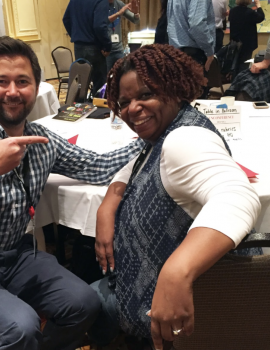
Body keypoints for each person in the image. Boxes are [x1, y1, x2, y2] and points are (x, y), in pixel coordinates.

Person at [0, 36, 144, 350]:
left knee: (86, 304)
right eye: (1, 81)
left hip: (17, 255)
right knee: (20, 327)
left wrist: (150, 136)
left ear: (36, 88)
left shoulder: (40, 140)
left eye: (22, 81)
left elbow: (98, 167)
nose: (13, 91)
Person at [87, 44, 261, 350]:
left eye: (145, 95)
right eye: (124, 101)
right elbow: (135, 163)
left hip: (179, 321)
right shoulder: (168, 130)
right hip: (145, 292)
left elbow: (236, 195)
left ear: (174, 88)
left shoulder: (184, 139)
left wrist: (177, 269)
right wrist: (109, 202)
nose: (132, 109)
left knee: (83, 303)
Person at [63, 0, 111, 98]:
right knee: (99, 88)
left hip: (78, 47)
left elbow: (66, 19)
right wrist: (107, 45)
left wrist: (76, 35)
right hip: (94, 48)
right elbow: (99, 26)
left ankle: (79, 111)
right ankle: (97, 112)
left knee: (80, 87)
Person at [229, 0, 264, 74]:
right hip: (247, 44)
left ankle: (235, 82)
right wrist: (258, 5)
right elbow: (261, 17)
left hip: (234, 42)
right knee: (244, 64)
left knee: (235, 64)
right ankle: (242, 83)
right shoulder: (249, 12)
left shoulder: (232, 11)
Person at [106, 0, 140, 72]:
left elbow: (136, 20)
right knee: (106, 80)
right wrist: (118, 14)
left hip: (119, 50)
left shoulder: (118, 4)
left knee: (122, 75)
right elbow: (102, 22)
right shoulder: (100, 4)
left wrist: (136, 13)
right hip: (106, 51)